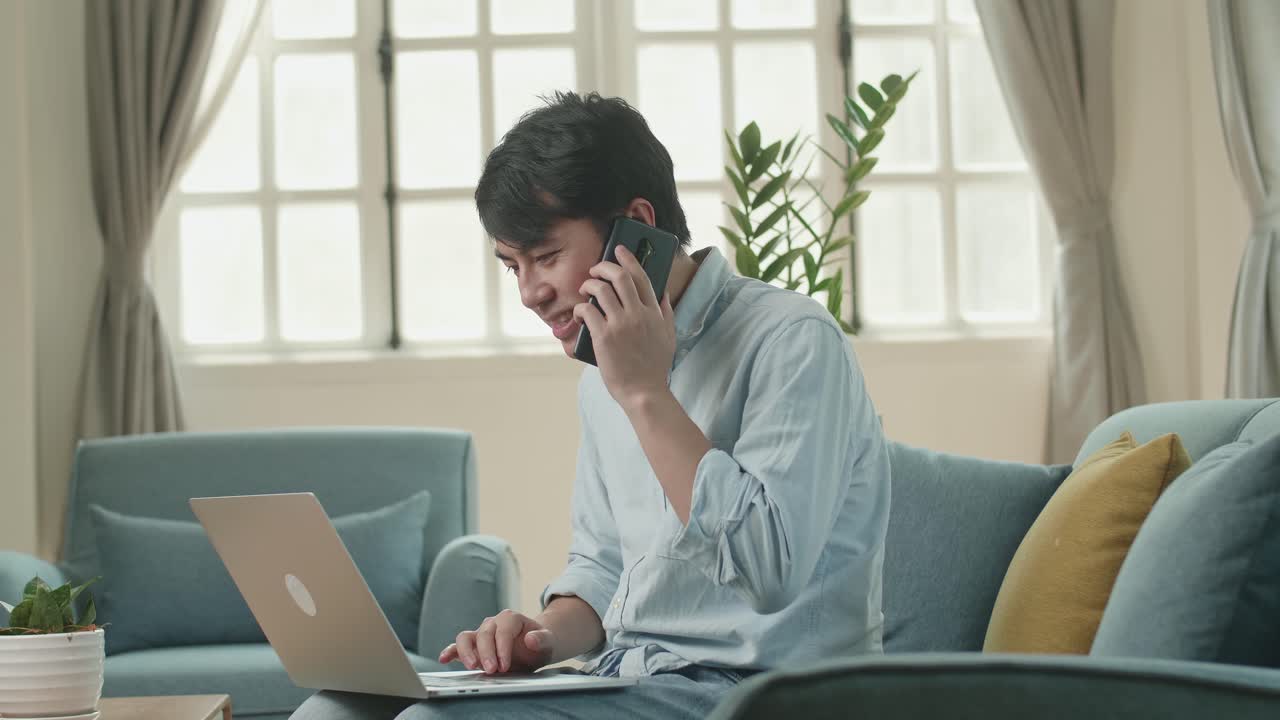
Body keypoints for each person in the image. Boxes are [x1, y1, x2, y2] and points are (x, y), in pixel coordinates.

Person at [291, 91, 891, 720]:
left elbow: (770, 572)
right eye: (511, 266)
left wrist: (645, 394)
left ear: (636, 227)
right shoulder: (603, 370)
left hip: (758, 694)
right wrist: (541, 635)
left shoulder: (791, 341)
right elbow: (605, 566)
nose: (529, 292)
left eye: (546, 256)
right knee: (331, 713)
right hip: (631, 679)